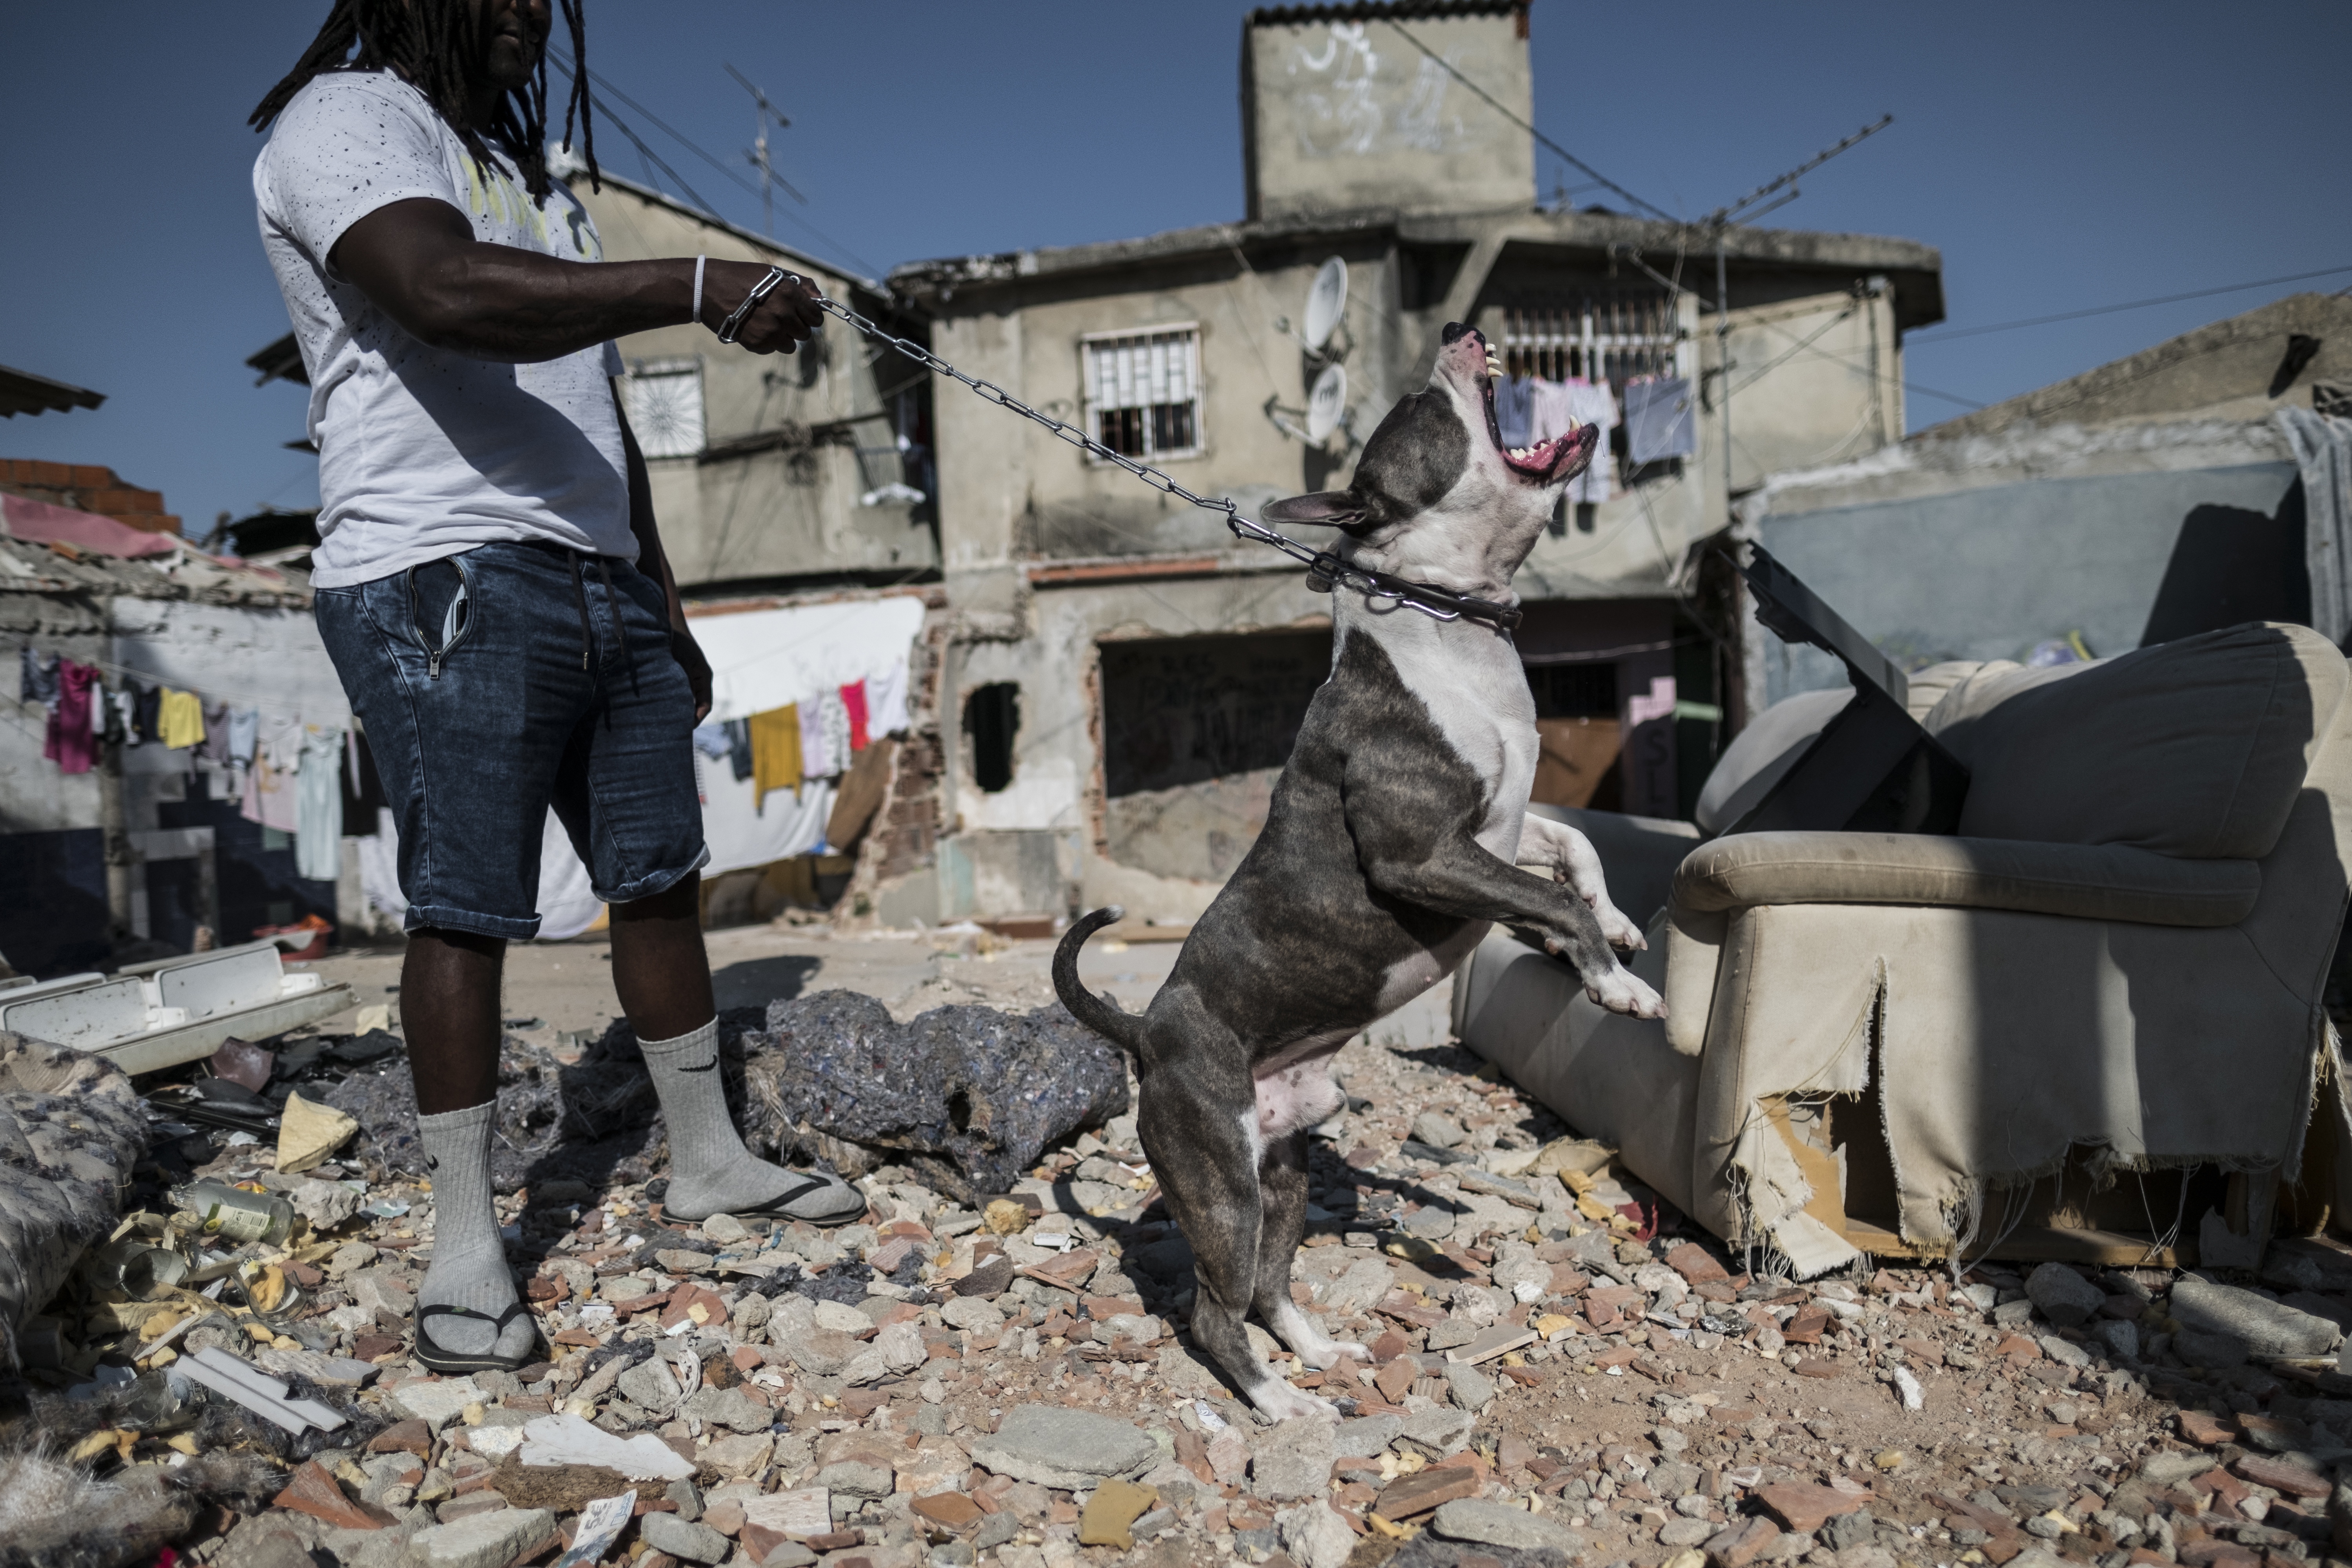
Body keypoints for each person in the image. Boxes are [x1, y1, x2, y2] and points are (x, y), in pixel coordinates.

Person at [250, 0, 865, 1376]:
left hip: (596, 572)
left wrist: (661, 592)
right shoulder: (348, 123)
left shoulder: (537, 181)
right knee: (466, 909)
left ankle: (707, 1159)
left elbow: (597, 413)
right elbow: (444, 295)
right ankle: (467, 1251)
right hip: (442, 567)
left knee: (656, 875)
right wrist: (696, 282)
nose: (531, 10)